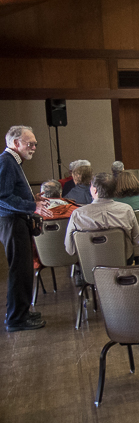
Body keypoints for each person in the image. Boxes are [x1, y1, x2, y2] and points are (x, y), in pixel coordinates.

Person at [1, 126, 46, 331]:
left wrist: (32, 199)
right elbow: (2, 196)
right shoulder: (6, 161)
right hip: (12, 221)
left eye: (35, 143)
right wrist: (32, 206)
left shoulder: (13, 161)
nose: (34, 147)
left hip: (16, 220)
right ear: (16, 143)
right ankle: (16, 319)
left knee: (24, 269)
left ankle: (22, 312)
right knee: (19, 270)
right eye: (30, 143)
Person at [64, 172, 139, 262]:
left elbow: (70, 249)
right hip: (123, 263)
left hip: (90, 263)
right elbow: (137, 240)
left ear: (95, 190)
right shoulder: (126, 210)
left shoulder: (77, 214)